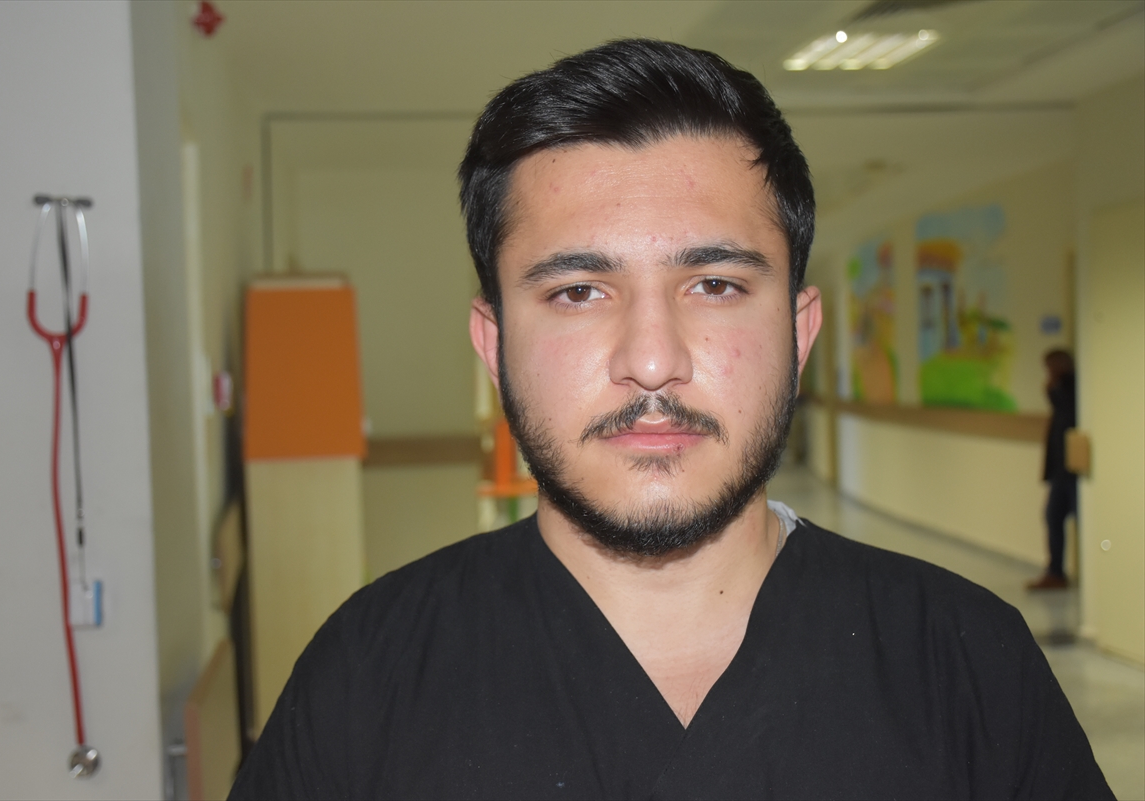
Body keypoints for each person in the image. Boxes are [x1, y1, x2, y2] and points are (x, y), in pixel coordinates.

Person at [230, 40, 1110, 799]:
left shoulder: (965, 663)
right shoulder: (368, 677)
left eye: (715, 285)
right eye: (579, 291)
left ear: (799, 331)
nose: (652, 360)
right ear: (493, 345)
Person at [1028, 349, 1079, 590]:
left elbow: (1070, 413)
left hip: (1075, 472)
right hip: (1060, 472)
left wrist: (1054, 388)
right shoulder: (1058, 389)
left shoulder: (1075, 388)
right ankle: (1055, 571)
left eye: (1050, 367)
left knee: (1082, 522)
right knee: (1052, 517)